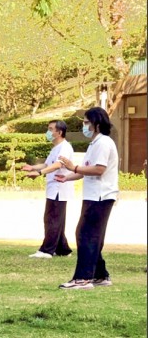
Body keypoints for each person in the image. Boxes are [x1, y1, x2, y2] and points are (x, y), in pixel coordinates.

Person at [55, 107, 119, 289]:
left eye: (86, 122)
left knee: (86, 235)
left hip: (101, 195)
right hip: (93, 195)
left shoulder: (104, 143)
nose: (84, 126)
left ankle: (83, 279)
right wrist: (68, 176)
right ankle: (100, 275)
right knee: (91, 235)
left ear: (96, 124)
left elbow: (99, 169)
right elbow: (86, 170)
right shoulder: (95, 144)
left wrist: (73, 167)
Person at [22, 120, 74, 258]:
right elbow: (46, 164)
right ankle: (63, 249)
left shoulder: (65, 147)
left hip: (59, 189)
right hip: (52, 188)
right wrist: (33, 167)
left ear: (59, 132)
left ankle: (47, 250)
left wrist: (39, 173)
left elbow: (57, 165)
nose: (48, 132)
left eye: (51, 129)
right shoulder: (55, 148)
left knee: (52, 219)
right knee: (56, 219)